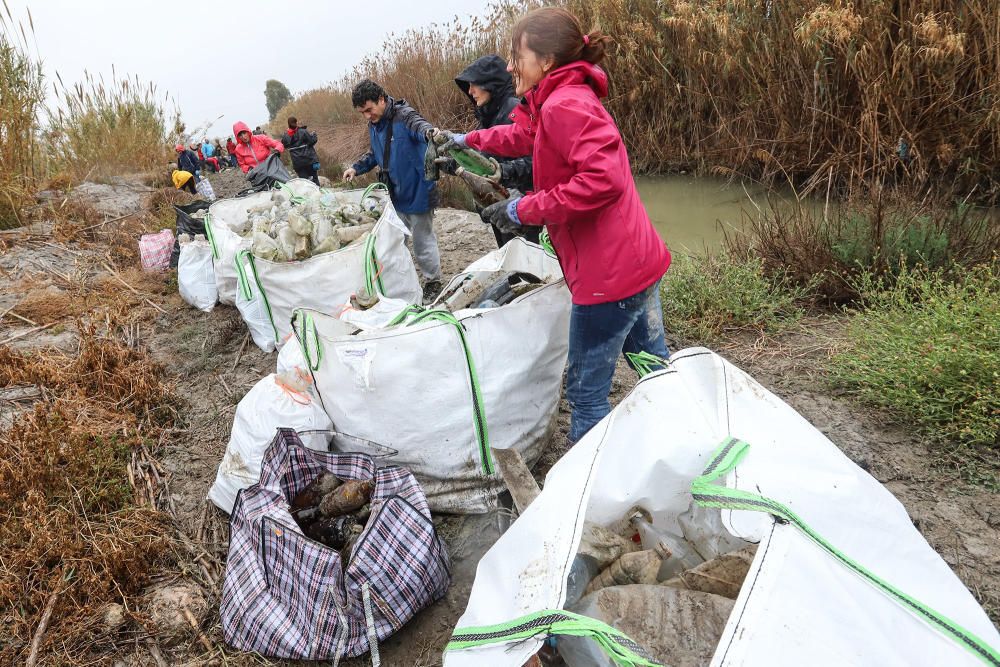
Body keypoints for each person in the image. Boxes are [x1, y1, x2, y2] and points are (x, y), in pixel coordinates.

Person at [435, 7, 671, 444]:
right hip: (636, 262)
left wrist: (522, 209)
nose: (509, 66)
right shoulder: (554, 100)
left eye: (516, 56)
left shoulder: (565, 104)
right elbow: (519, 136)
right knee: (653, 366)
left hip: (608, 279)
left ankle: (588, 497)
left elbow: (602, 181)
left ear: (545, 61)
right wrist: (467, 139)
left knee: (586, 394)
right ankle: (680, 439)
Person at [343, 79, 442, 298]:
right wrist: (355, 168)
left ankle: (433, 282)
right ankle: (401, 280)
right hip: (396, 194)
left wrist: (430, 133)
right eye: (362, 113)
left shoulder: (404, 116)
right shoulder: (375, 124)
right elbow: (375, 153)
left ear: (381, 99)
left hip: (419, 192)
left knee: (422, 241)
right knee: (396, 241)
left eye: (369, 110)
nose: (367, 116)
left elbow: (421, 126)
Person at [448, 55, 537, 247]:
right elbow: (483, 160)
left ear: (490, 83)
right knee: (510, 260)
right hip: (498, 203)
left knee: (529, 266)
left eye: (474, 84)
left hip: (519, 205)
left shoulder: (513, 109)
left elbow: (536, 161)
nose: (470, 91)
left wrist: (504, 175)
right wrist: (452, 162)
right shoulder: (487, 114)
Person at [281, 116, 321, 184]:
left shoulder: (285, 136)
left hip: (298, 163)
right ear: (296, 122)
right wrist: (314, 135)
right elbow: (312, 141)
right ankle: (319, 193)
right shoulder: (303, 131)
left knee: (305, 183)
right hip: (309, 160)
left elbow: (283, 145)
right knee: (315, 180)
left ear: (288, 124)